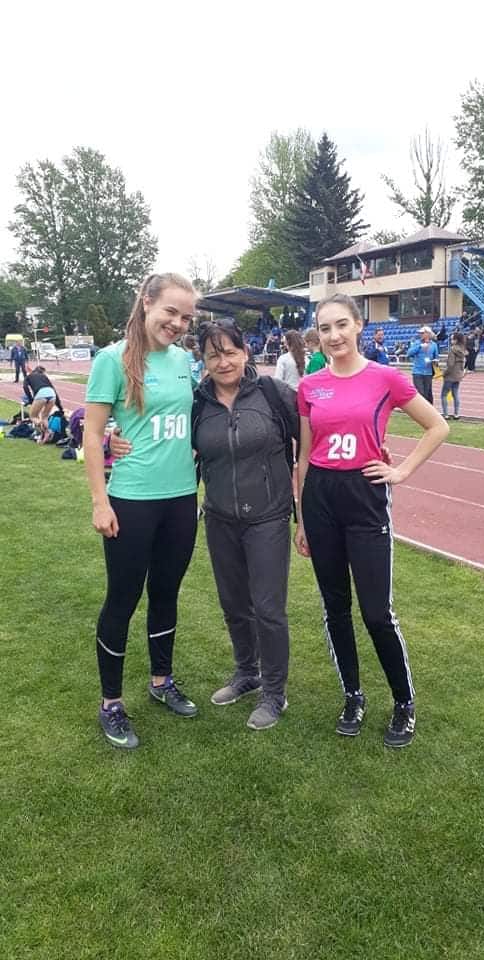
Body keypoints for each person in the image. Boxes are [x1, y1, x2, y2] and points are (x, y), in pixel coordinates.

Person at [112, 318, 299, 732]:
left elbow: (316, 431)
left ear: (245, 353)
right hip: (219, 517)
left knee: (268, 608)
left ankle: (274, 692)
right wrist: (114, 436)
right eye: (214, 355)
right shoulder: (196, 403)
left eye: (230, 352)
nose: (223, 362)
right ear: (203, 360)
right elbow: (159, 432)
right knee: (234, 604)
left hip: (268, 516)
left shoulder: (272, 393)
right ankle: (246, 672)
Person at [294, 294, 449, 748]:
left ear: (358, 325)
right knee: (335, 607)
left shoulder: (385, 378)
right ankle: (353, 696)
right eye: (325, 328)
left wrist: (401, 472)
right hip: (320, 498)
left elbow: (437, 426)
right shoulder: (310, 386)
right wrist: (302, 520)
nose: (334, 335)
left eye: (341, 325)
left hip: (364, 498)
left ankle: (403, 702)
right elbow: (303, 457)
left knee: (376, 612)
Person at [84, 272, 199, 750]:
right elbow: (93, 434)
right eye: (171, 311)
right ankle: (110, 703)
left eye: (186, 317)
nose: (178, 323)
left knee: (166, 593)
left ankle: (161, 680)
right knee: (123, 599)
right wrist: (100, 501)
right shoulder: (112, 359)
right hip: (132, 500)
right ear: (147, 302)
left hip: (182, 499)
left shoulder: (185, 360)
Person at [23, 365, 62, 441]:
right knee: (45, 417)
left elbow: (25, 387)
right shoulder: (44, 376)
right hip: (52, 394)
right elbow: (54, 390)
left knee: (33, 416)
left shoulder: (28, 376)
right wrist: (60, 407)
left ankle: (45, 430)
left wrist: (30, 399)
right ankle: (46, 434)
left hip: (41, 394)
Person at [407, 325, 439, 403]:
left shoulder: (434, 345)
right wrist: (420, 347)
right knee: (421, 393)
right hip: (417, 372)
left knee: (427, 394)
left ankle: (427, 409)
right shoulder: (417, 343)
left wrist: (435, 361)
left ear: (428, 334)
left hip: (428, 373)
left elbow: (436, 357)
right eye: (420, 333)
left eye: (422, 333)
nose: (420, 334)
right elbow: (409, 353)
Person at [441, 332, 466, 419]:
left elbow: (451, 365)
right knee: (455, 394)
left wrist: (444, 373)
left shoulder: (453, 350)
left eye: (452, 339)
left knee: (444, 395)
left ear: (456, 340)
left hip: (450, 376)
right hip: (458, 375)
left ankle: (446, 414)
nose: (451, 341)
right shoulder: (462, 350)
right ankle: (456, 414)